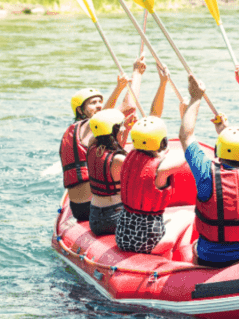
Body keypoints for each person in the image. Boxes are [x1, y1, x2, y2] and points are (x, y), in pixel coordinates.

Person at [179, 75, 239, 267]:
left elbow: (186, 136)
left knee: (195, 245)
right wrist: (225, 131)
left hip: (211, 256)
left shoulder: (206, 172)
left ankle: (198, 274)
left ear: (220, 148)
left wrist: (196, 98)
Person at [86, 68, 171, 236]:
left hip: (95, 217)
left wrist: (137, 76)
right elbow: (154, 119)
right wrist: (163, 84)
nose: (125, 126)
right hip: (115, 217)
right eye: (122, 125)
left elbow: (102, 119)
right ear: (115, 130)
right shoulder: (121, 160)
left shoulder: (92, 145)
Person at [60, 57, 146, 222]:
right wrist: (137, 73)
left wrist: (119, 88)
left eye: (100, 101)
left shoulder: (79, 133)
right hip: (92, 206)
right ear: (80, 110)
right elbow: (129, 107)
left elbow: (105, 115)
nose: (99, 105)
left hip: (79, 207)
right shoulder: (87, 128)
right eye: (93, 103)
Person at [116, 116, 189, 253]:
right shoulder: (161, 169)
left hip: (123, 238)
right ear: (163, 142)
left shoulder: (127, 159)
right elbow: (188, 153)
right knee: (186, 215)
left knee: (169, 218)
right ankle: (181, 254)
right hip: (148, 244)